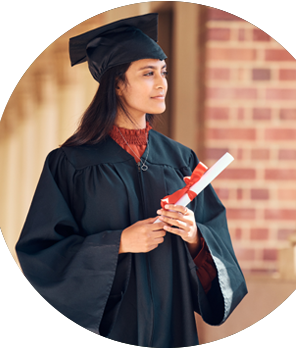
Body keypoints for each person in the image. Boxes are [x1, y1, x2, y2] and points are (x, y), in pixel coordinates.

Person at [16, 13, 247, 348]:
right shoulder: (70, 163)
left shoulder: (181, 158)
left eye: (163, 72)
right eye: (148, 73)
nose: (161, 83)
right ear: (118, 84)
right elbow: (42, 252)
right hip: (114, 326)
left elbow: (217, 237)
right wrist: (119, 243)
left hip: (173, 319)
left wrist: (195, 236)